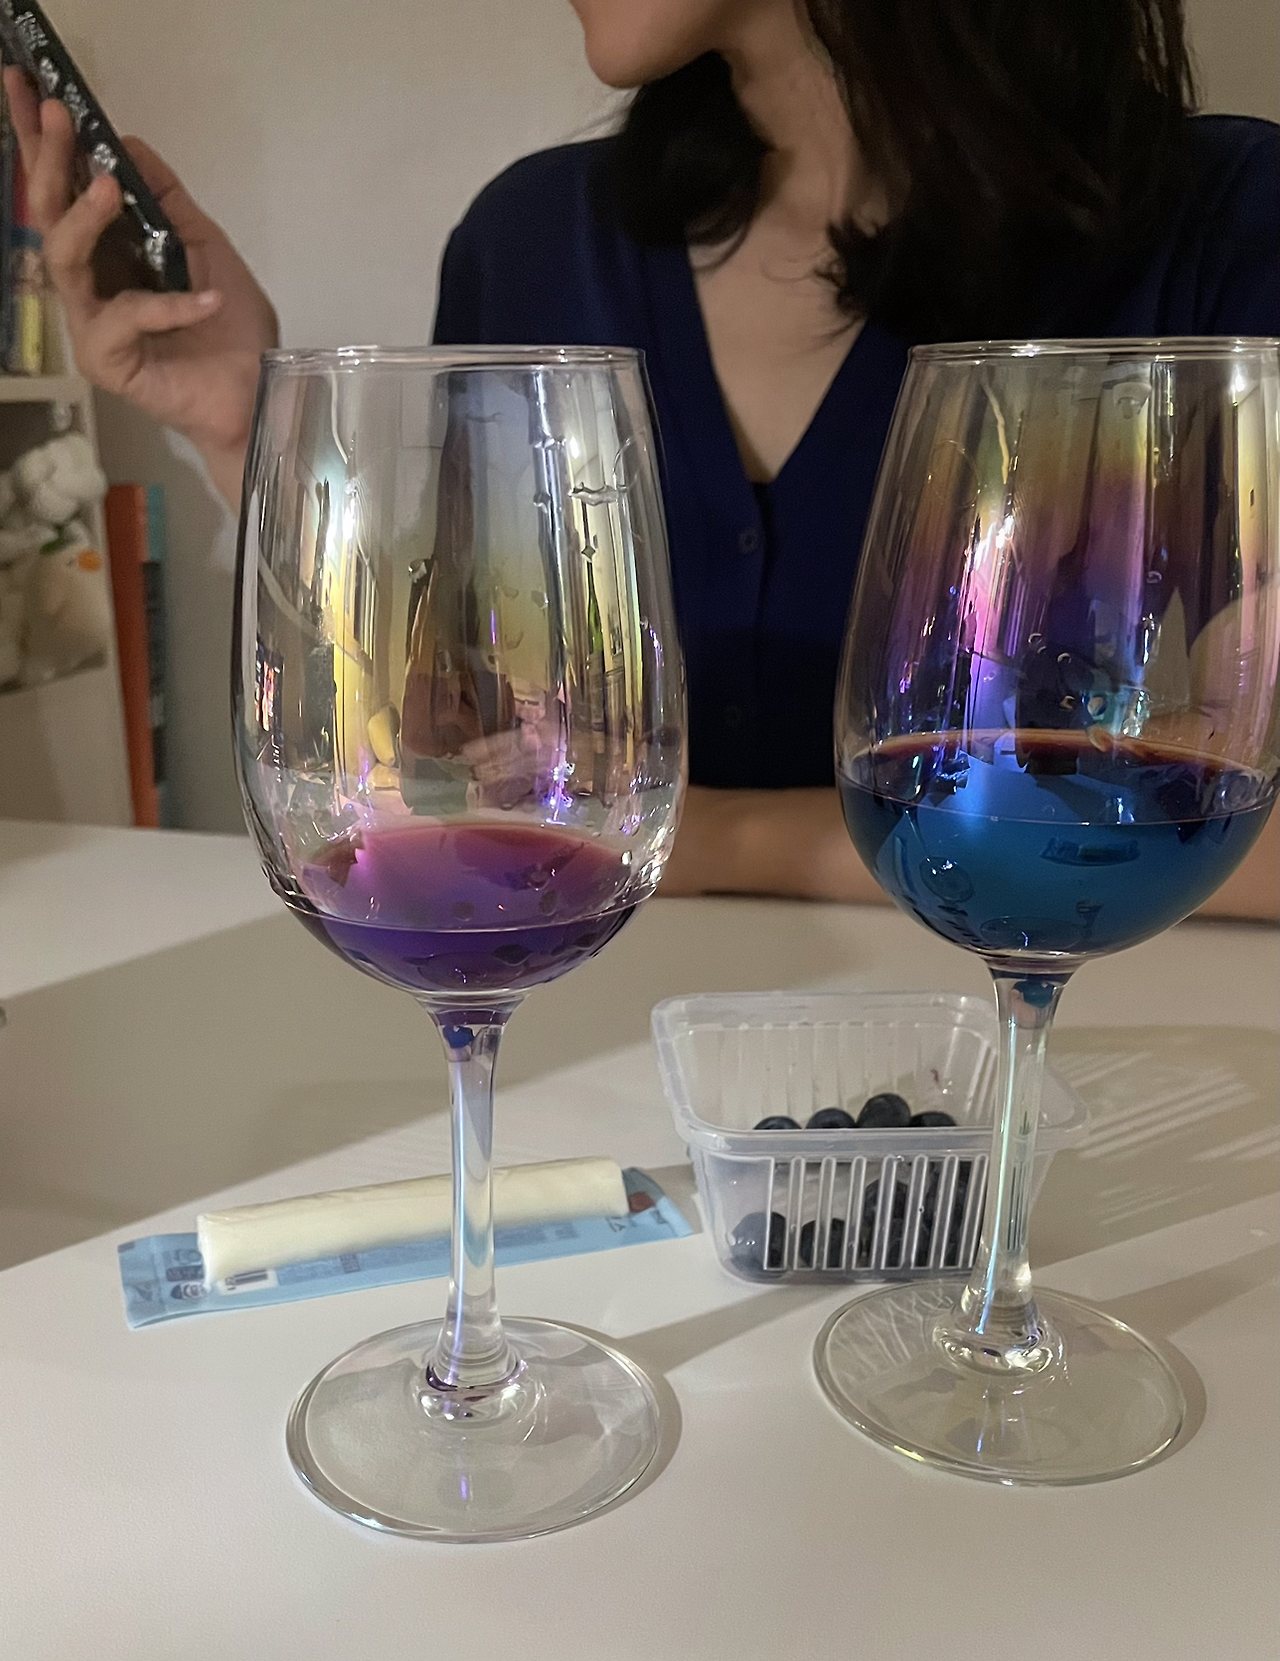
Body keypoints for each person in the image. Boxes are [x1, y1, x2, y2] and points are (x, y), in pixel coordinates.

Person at [6, 0, 1278, 919]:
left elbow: (1251, 823)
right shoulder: (531, 240)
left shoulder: (1224, 228)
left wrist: (708, 839)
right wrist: (244, 422)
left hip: (1072, 1043)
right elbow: (449, 742)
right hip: (600, 1039)